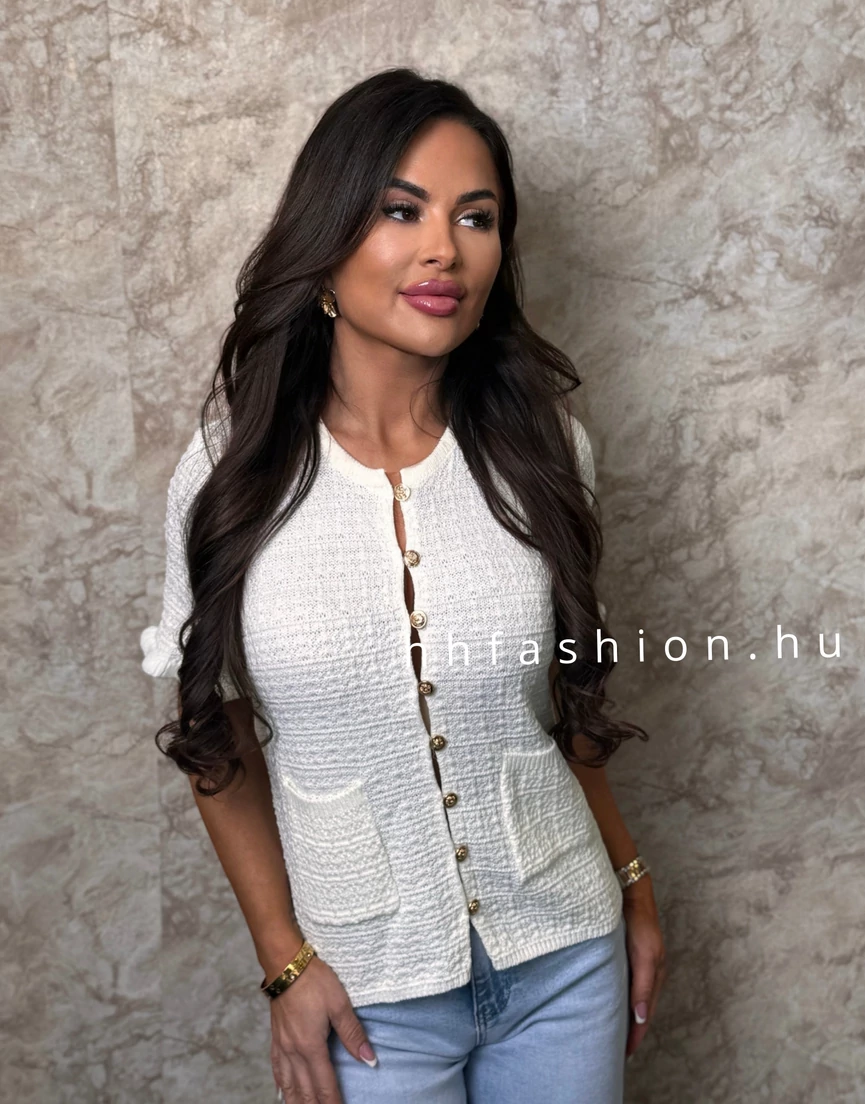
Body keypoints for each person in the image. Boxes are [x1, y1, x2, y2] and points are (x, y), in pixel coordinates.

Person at [140, 67, 666, 1104]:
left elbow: (567, 705)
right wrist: (285, 961)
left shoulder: (544, 450)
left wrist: (633, 882)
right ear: (328, 237)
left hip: (568, 959)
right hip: (367, 996)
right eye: (401, 210)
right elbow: (215, 735)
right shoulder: (230, 474)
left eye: (477, 217)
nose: (444, 251)